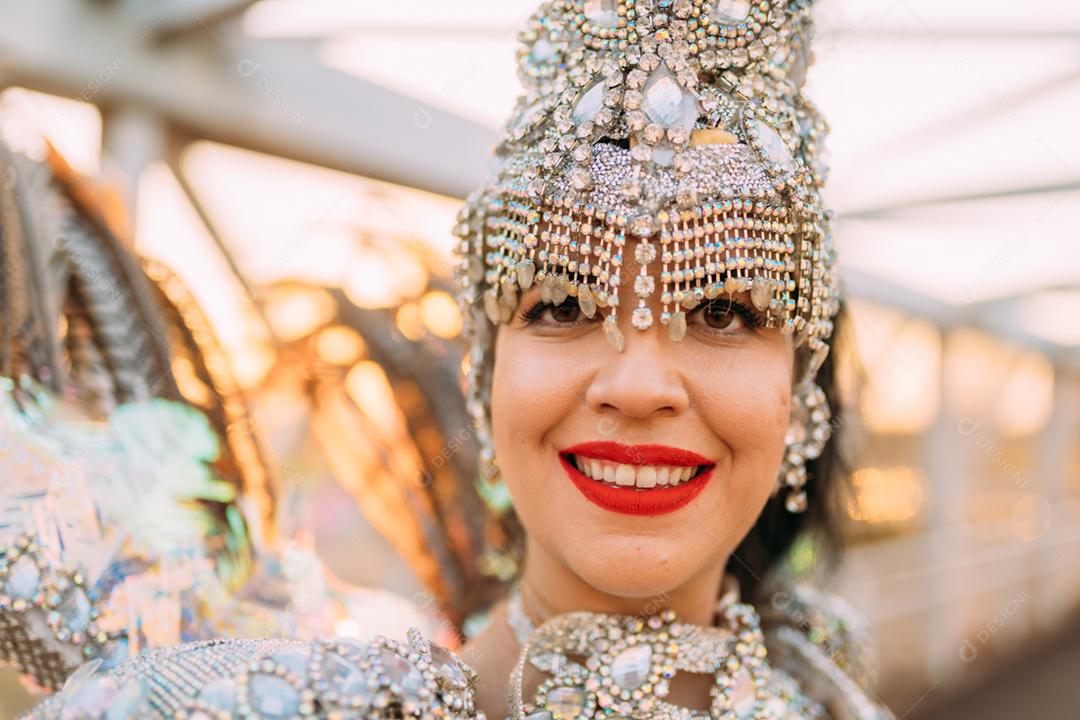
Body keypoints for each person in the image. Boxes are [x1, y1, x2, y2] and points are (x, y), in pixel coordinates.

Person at [27, 0, 898, 718]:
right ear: (485, 378)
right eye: (561, 305)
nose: (636, 386)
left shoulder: (833, 693)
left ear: (803, 391)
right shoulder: (198, 706)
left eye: (719, 310)